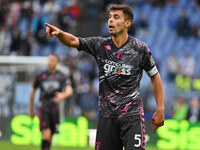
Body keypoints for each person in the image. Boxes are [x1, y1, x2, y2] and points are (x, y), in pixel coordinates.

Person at [45, 4, 164, 150]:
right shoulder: (100, 45)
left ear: (127, 23)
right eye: (109, 17)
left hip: (132, 116)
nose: (110, 21)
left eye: (116, 17)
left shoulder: (140, 49)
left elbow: (155, 76)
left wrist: (160, 108)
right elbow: (73, 41)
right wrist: (60, 33)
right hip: (106, 116)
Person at [29, 53, 73, 150]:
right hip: (43, 107)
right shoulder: (41, 76)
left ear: (57, 63)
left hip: (54, 109)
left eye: (53, 60)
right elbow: (32, 93)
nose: (50, 63)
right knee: (46, 134)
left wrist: (62, 95)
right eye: (49, 60)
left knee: (50, 135)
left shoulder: (62, 76)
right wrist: (31, 110)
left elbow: (70, 90)